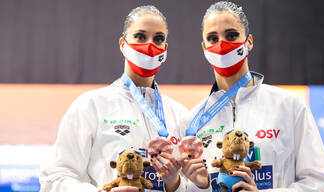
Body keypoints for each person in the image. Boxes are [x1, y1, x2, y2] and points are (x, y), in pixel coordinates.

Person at [39, 5, 206, 192]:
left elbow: (192, 186)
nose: (150, 46)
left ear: (165, 49)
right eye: (140, 36)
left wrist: (173, 183)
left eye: (158, 39)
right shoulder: (91, 106)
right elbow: (54, 179)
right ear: (123, 44)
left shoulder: (179, 115)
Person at [180, 1, 324, 191]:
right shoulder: (192, 122)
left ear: (249, 42)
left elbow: (321, 183)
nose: (222, 44)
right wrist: (199, 186)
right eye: (213, 38)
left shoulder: (289, 105)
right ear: (204, 48)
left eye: (231, 35)